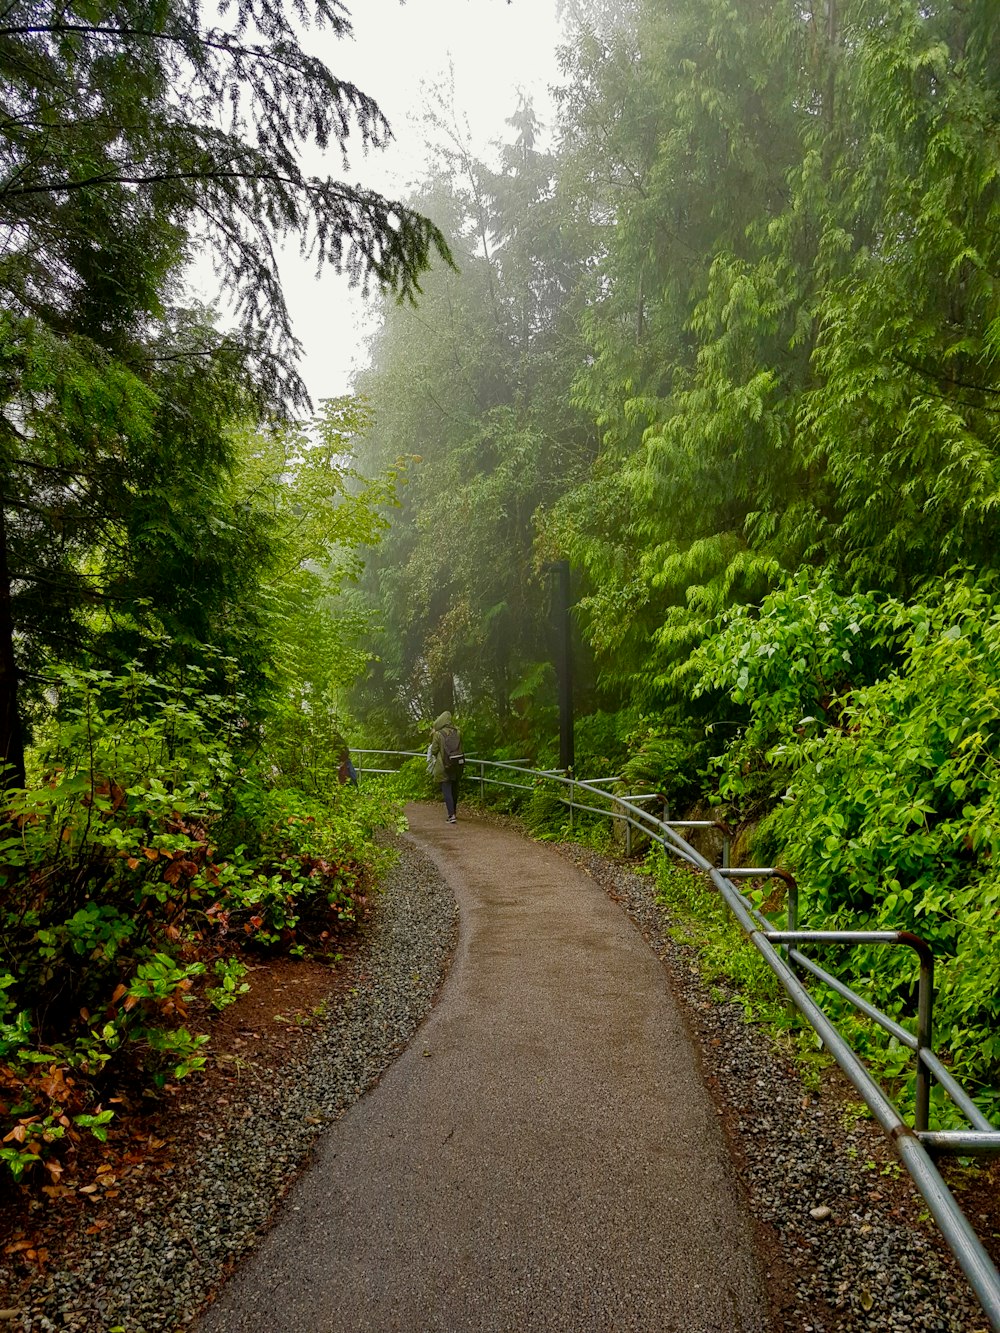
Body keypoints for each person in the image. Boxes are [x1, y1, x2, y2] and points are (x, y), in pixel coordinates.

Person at [430, 710, 463, 824]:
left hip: (444, 765)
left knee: (447, 790)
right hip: (456, 764)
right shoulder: (457, 732)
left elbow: (434, 750)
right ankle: (454, 811)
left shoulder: (438, 734)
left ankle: (451, 815)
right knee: (454, 789)